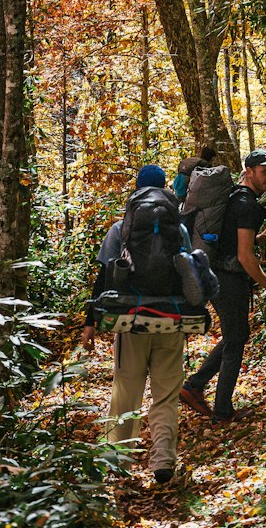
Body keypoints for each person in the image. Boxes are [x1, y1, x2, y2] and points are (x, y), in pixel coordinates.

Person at [81, 165, 188, 485]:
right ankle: (162, 460)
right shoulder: (178, 228)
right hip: (170, 320)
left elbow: (103, 279)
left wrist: (90, 322)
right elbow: (189, 273)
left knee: (127, 391)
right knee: (166, 395)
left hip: (131, 321)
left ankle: (117, 461)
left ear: (137, 191)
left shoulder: (121, 228)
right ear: (164, 190)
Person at [179, 148, 266, 424]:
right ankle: (221, 410)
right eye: (265, 172)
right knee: (236, 338)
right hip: (228, 278)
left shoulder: (237, 197)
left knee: (235, 336)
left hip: (218, 273)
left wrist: (259, 237)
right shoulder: (247, 204)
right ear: (249, 172)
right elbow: (244, 256)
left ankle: (195, 386)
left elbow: (235, 242)